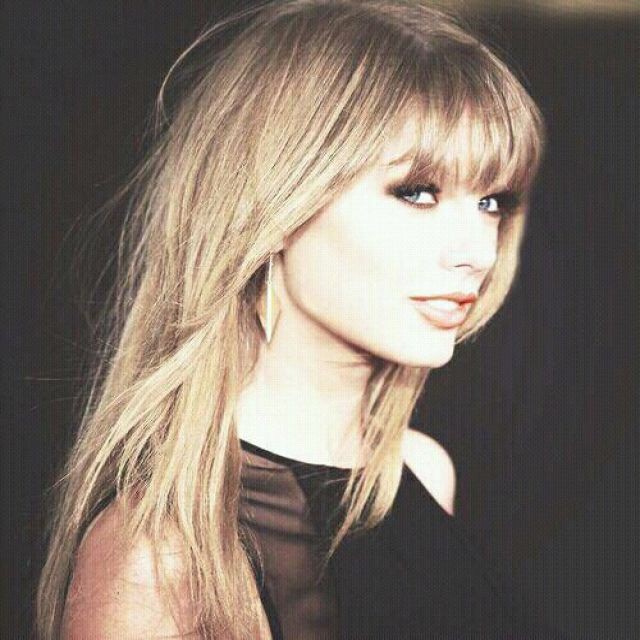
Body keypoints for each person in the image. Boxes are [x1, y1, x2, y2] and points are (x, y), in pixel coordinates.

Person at [36, 0, 553, 638]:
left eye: (491, 202)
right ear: (275, 200)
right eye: (417, 193)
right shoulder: (162, 554)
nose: (477, 252)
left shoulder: (421, 472)